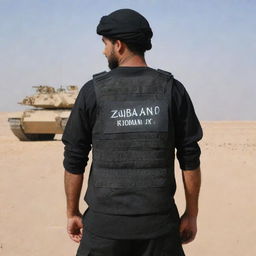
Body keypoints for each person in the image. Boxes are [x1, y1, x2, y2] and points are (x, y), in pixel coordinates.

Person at [62, 8, 203, 256]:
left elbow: (75, 159)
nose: (103, 50)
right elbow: (189, 158)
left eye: (105, 44)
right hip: (160, 228)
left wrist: (72, 212)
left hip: (104, 228)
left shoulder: (92, 91)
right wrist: (191, 214)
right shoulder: (173, 89)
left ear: (118, 45)